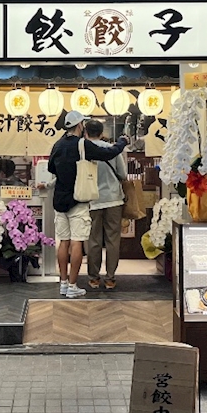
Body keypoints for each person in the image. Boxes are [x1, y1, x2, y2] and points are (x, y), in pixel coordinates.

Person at [47, 110, 129, 298]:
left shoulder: (58, 145)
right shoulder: (83, 145)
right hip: (85, 198)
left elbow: (52, 168)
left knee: (71, 242)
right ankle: (82, 283)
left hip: (64, 200)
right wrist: (122, 142)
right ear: (79, 125)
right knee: (85, 241)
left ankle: (70, 282)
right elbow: (112, 156)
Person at [83, 118, 126, 290]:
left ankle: (93, 278)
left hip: (92, 200)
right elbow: (122, 174)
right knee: (112, 240)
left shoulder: (83, 150)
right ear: (102, 133)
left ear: (86, 133)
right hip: (114, 199)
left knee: (93, 240)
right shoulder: (112, 150)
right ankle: (110, 278)